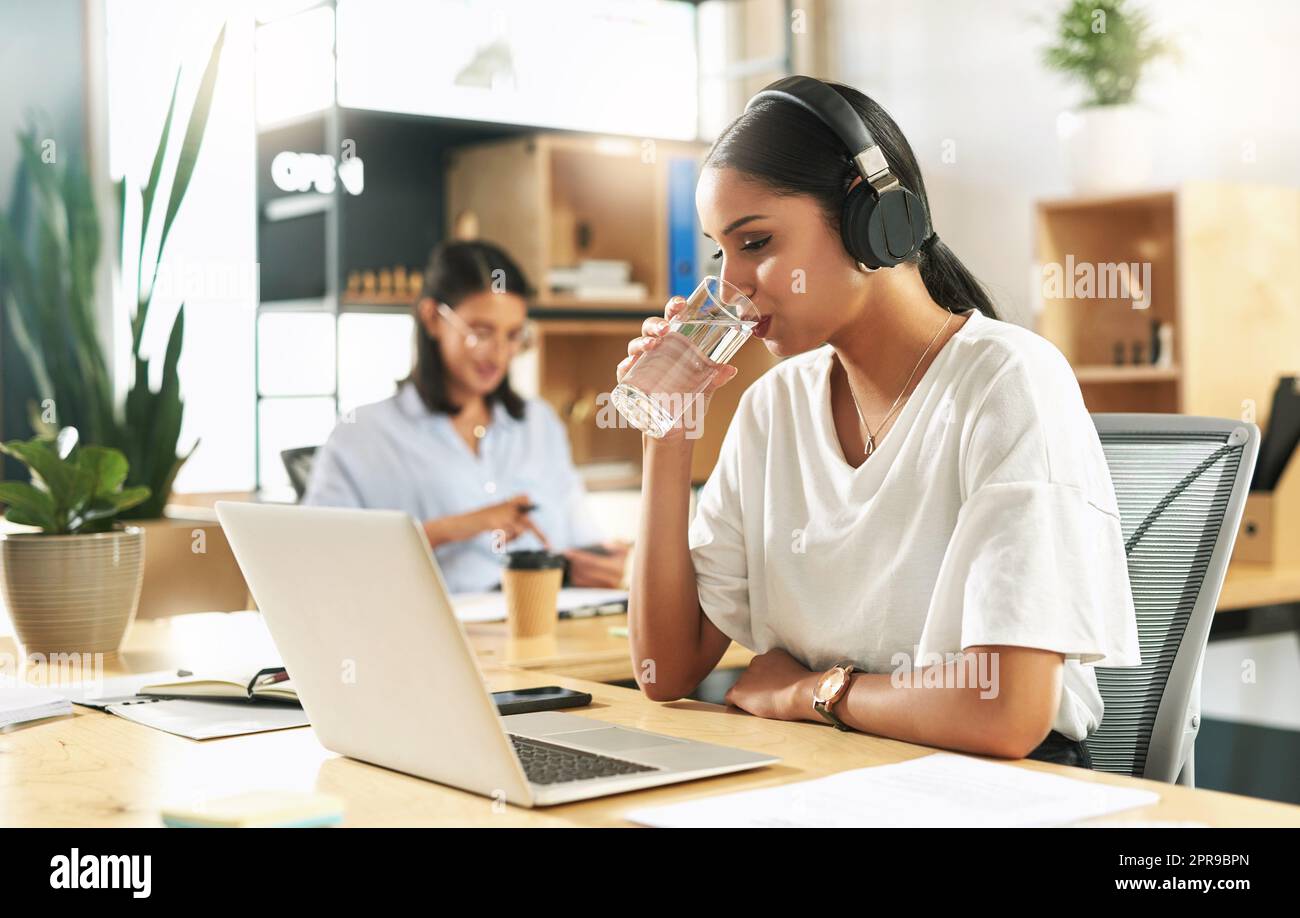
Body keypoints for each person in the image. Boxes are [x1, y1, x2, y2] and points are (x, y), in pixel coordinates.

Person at [623, 77, 1140, 767]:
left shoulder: (1008, 382)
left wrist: (809, 693)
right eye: (723, 252)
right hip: (828, 777)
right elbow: (664, 671)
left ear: (874, 217)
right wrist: (670, 430)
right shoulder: (772, 409)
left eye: (757, 242)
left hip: (991, 790)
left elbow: (1007, 716)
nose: (732, 286)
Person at [303, 240, 630, 593]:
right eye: (481, 332)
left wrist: (600, 564)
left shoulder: (539, 424)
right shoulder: (364, 435)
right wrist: (459, 526)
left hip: (544, 629)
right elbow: (320, 560)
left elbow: (581, 539)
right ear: (432, 318)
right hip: (432, 633)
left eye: (513, 336)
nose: (500, 354)